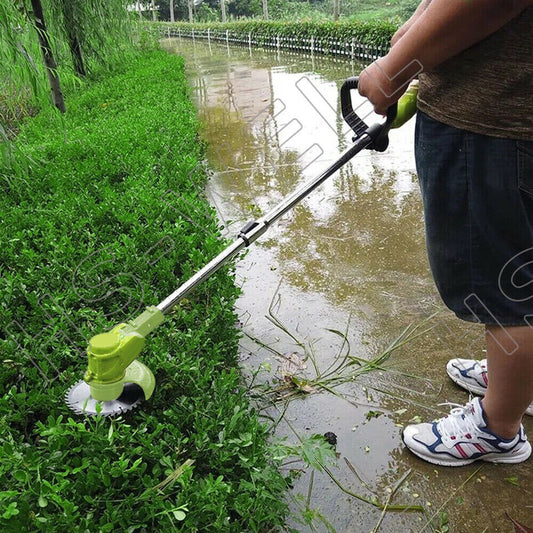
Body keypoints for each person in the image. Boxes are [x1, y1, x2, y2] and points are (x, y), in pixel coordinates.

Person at [358, 0, 533, 466]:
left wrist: (394, 69)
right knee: (520, 269)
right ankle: (515, 380)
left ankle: (499, 428)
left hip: (492, 124)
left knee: (503, 290)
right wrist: (416, 30)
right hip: (515, 122)